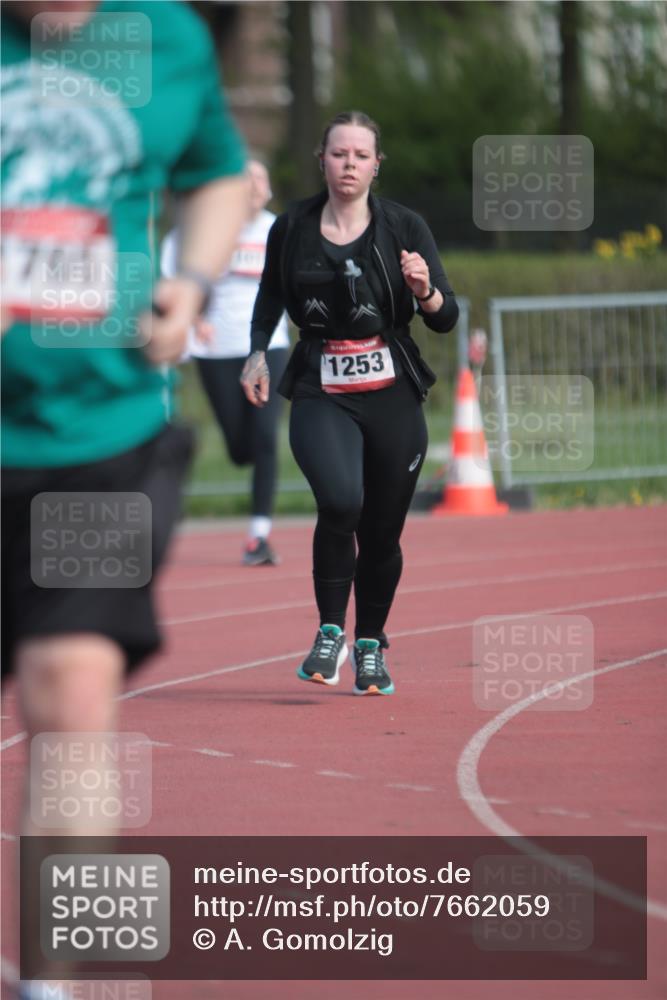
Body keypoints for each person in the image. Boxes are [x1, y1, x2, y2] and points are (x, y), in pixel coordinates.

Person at [1, 3, 248, 994]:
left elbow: (218, 171)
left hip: (100, 439)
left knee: (73, 690)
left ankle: (51, 983)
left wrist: (190, 281)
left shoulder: (167, 40)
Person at [241, 110, 458, 696]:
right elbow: (268, 294)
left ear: (376, 165)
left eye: (361, 156)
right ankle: (330, 630)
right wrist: (258, 352)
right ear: (322, 159)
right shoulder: (291, 226)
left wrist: (425, 291)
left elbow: (446, 319)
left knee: (383, 533)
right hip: (320, 385)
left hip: (391, 393)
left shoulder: (404, 227)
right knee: (340, 503)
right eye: (340, 154)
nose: (349, 165)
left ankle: (371, 645)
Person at [161, 160, 289, 566]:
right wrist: (193, 316)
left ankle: (259, 537)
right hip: (215, 348)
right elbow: (172, 277)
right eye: (244, 177)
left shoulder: (279, 231)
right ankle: (245, 455)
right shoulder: (205, 228)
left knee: (266, 435)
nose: (252, 185)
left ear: (268, 190)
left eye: (259, 178)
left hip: (268, 347)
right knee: (240, 447)